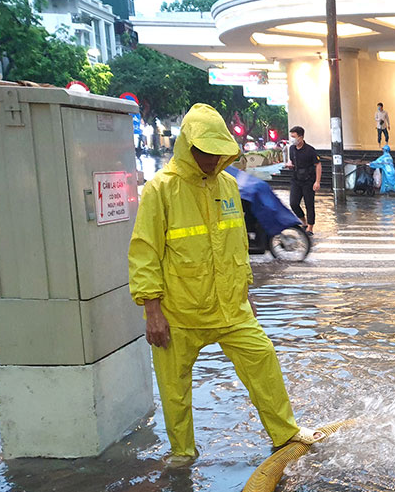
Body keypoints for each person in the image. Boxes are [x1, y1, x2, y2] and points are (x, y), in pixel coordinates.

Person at [129, 103, 320, 461]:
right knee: (174, 390)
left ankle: (286, 433)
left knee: (262, 357)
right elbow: (144, 253)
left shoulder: (229, 185)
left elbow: (236, 247)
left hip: (231, 307)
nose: (210, 160)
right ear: (188, 146)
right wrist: (152, 311)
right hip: (179, 311)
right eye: (204, 152)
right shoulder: (160, 190)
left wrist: (245, 293)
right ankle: (182, 454)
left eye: (217, 152)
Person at [284, 126, 321, 235]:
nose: (292, 139)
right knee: (293, 203)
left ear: (301, 137)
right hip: (296, 179)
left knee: (309, 204)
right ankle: (303, 222)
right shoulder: (292, 149)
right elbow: (293, 162)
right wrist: (290, 165)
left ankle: (310, 227)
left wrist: (317, 181)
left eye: (294, 137)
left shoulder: (310, 150)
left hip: (308, 180)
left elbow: (318, 165)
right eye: (291, 137)